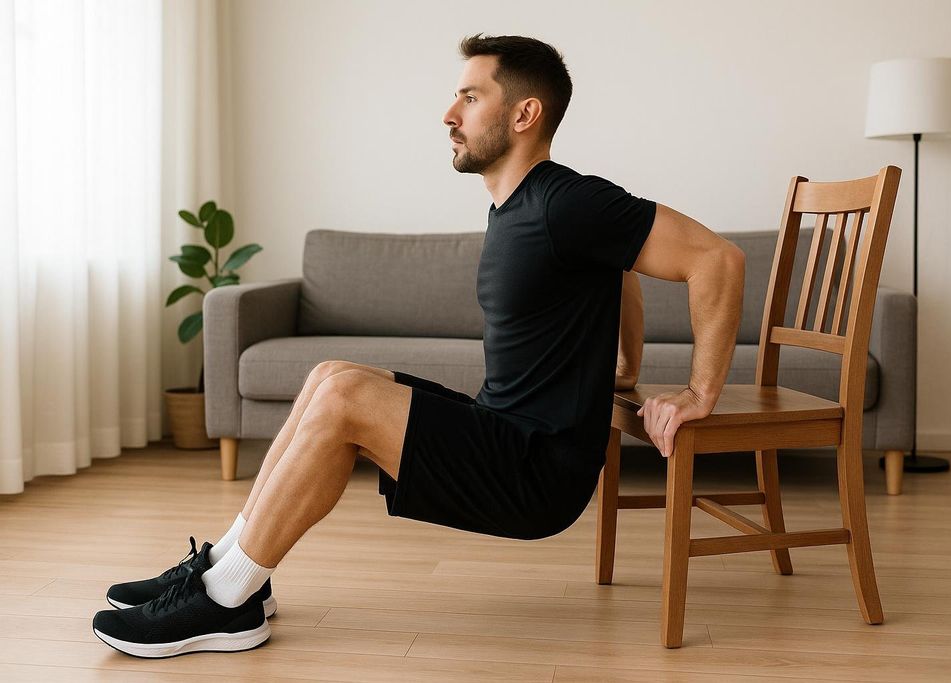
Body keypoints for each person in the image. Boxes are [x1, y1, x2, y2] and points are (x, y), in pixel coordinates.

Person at [92, 32, 745, 658]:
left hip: (534, 467)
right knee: (330, 375)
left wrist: (698, 391)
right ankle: (230, 571)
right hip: (506, 433)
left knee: (345, 394)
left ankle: (224, 602)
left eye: (469, 97)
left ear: (524, 113)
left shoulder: (565, 199)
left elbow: (717, 258)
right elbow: (620, 265)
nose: (448, 114)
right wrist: (623, 365)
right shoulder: (519, 209)